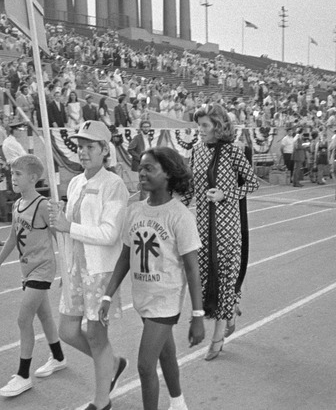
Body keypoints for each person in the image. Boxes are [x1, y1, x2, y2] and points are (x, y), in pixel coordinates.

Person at [98, 147, 205, 410]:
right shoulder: (134, 211)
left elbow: (192, 269)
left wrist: (198, 316)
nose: (141, 173)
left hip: (165, 300)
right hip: (143, 298)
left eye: (149, 168)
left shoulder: (180, 216)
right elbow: (125, 256)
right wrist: (107, 295)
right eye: (141, 167)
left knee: (146, 366)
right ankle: (178, 403)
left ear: (168, 174)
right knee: (166, 353)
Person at [49, 120, 129, 410]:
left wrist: (68, 226)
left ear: (104, 150)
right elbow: (68, 229)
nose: (83, 152)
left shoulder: (114, 184)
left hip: (100, 272)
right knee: (67, 331)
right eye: (80, 146)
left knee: (96, 336)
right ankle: (113, 363)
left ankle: (101, 400)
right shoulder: (75, 182)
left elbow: (109, 235)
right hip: (75, 270)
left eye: (89, 147)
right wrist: (59, 227)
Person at [182, 104, 258, 361]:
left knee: (224, 276)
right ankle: (229, 309)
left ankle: (217, 338)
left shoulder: (233, 152)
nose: (200, 131)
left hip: (228, 227)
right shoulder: (196, 152)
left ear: (218, 126)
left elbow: (253, 183)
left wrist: (228, 194)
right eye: (198, 125)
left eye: (204, 126)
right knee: (206, 278)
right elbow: (190, 190)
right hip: (202, 226)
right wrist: (170, 207)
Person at [0, 155, 67, 397]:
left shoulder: (43, 206)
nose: (13, 179)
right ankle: (58, 357)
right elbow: (13, 237)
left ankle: (23, 375)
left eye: (18, 175)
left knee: (23, 320)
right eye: (12, 174)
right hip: (27, 269)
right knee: (44, 317)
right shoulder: (16, 205)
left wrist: (66, 271)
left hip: (42, 269)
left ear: (33, 178)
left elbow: (59, 237)